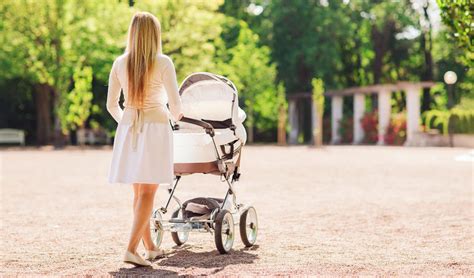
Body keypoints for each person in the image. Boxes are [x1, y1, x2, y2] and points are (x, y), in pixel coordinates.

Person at [106, 11, 183, 267]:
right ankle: (130, 249)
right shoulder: (163, 62)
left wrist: (128, 124)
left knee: (139, 192)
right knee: (148, 192)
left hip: (129, 129)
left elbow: (111, 105)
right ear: (155, 35)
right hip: (155, 128)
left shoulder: (119, 63)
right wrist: (180, 116)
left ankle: (149, 247)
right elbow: (175, 106)